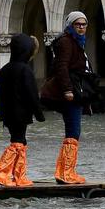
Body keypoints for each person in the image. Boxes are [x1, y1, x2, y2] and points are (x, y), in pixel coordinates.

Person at [40, 11, 93, 184]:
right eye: (77, 24)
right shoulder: (66, 42)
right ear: (71, 25)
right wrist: (67, 90)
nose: (81, 28)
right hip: (70, 93)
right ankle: (66, 173)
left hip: (75, 90)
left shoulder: (75, 41)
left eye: (84, 24)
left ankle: (64, 171)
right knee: (73, 131)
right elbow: (61, 66)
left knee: (73, 131)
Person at [0, 32, 44, 187]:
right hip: (20, 113)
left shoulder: (6, 68)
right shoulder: (25, 70)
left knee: (20, 141)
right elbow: (32, 94)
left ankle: (17, 175)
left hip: (8, 114)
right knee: (18, 142)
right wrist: (39, 113)